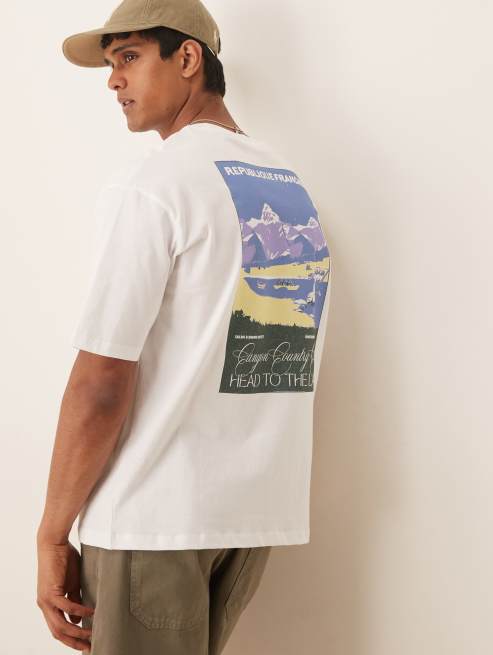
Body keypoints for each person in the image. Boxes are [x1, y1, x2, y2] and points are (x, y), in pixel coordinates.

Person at [35, 0, 332, 653]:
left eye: (129, 57)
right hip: (249, 519)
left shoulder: (155, 185)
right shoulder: (289, 191)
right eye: (110, 65)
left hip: (153, 519)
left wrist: (52, 533)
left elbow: (101, 380)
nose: (114, 80)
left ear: (189, 58)